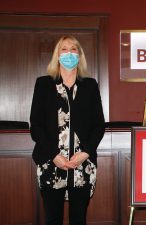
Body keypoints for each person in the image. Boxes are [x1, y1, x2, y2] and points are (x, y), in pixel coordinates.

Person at [30, 35, 105, 225]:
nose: (69, 53)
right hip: (51, 162)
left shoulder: (90, 85)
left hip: (82, 164)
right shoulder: (43, 84)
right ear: (57, 54)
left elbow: (99, 125)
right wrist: (54, 155)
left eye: (74, 49)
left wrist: (86, 152)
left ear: (79, 55)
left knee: (78, 219)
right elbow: (36, 125)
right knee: (53, 219)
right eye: (64, 49)